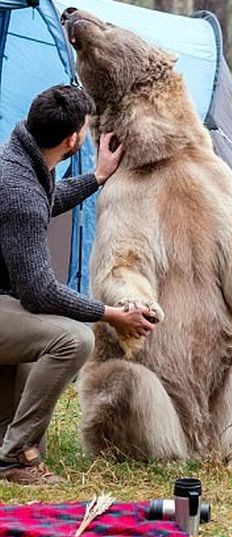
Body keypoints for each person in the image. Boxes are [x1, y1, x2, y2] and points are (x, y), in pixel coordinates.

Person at [0, 84, 156, 485]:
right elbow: (39, 292)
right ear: (73, 138)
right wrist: (113, 315)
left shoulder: (19, 156)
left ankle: (7, 444)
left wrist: (98, 176)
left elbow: (45, 201)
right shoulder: (18, 189)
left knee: (39, 335)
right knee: (72, 339)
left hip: (5, 302)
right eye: (85, 127)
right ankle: (15, 455)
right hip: (6, 302)